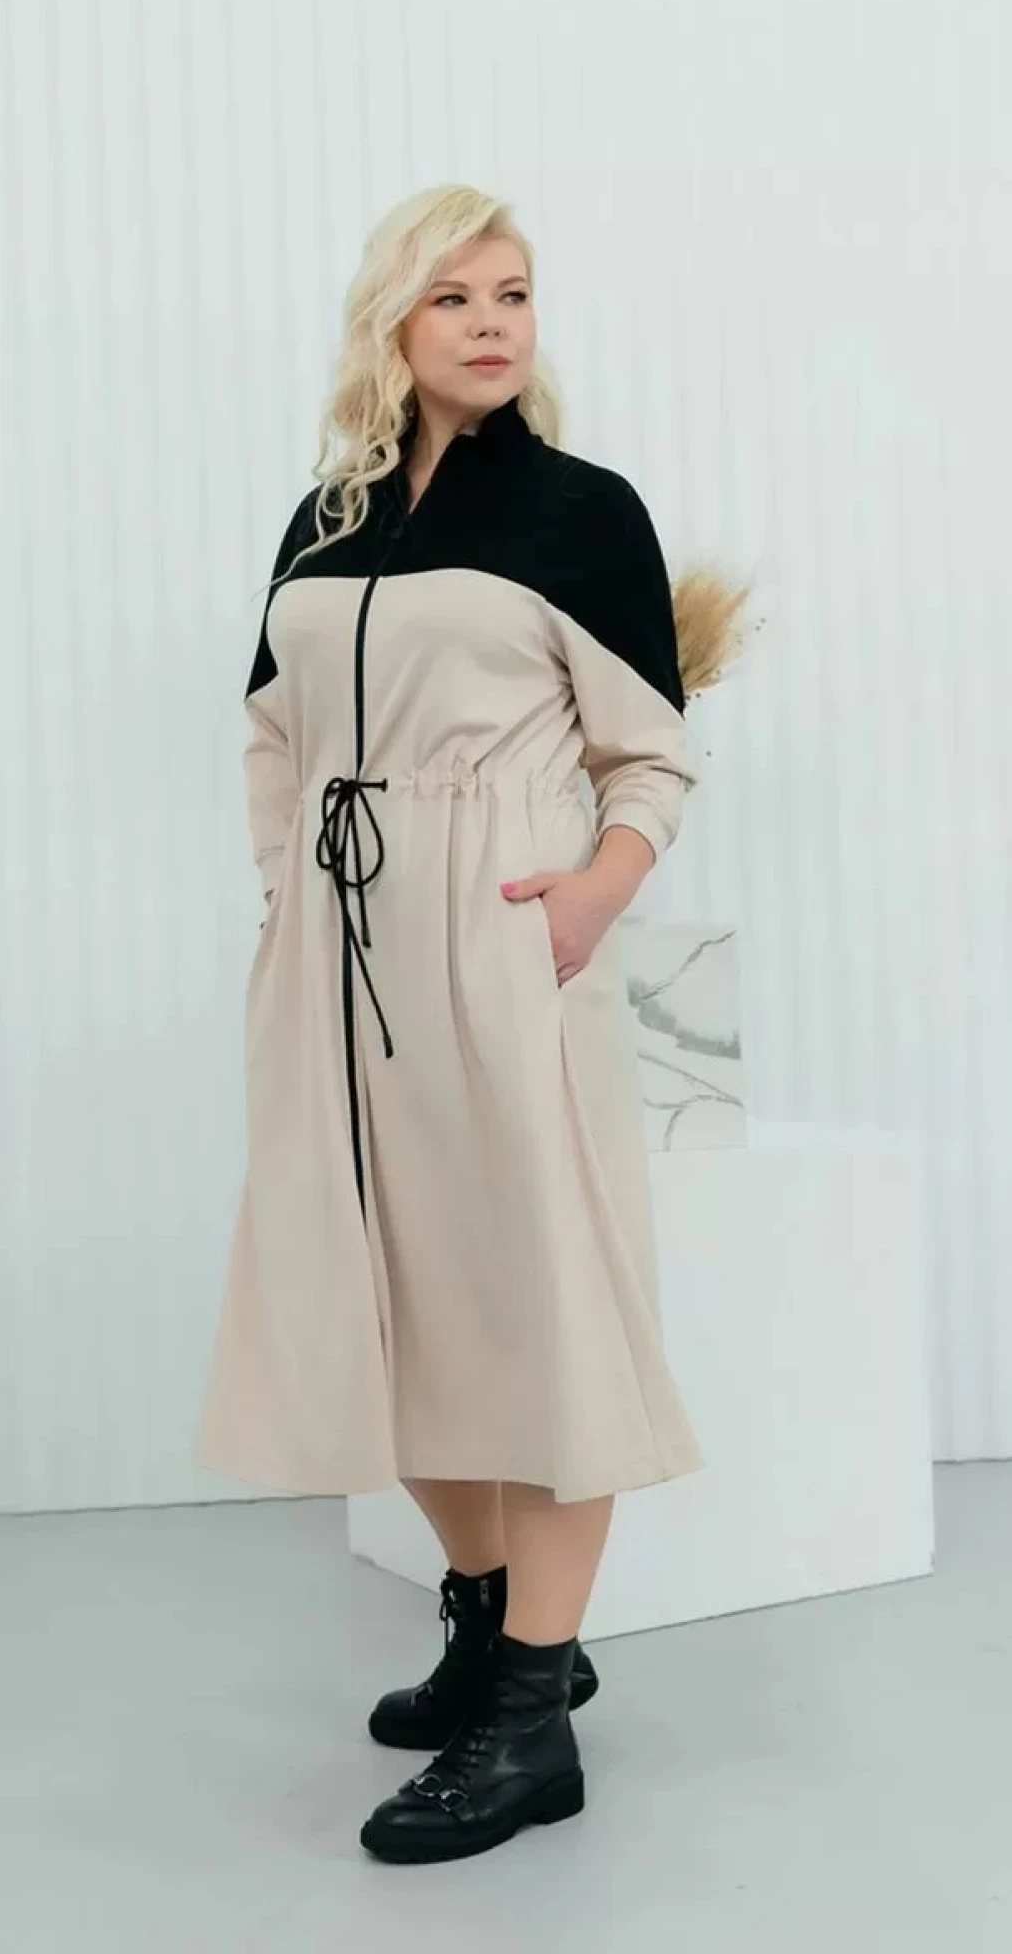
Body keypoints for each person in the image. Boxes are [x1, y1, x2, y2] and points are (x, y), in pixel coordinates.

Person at [197, 183, 706, 1867]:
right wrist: (288, 894)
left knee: (538, 1303)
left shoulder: (579, 510)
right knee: (385, 1297)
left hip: (501, 946)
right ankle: (491, 1618)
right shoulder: (329, 513)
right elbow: (273, 733)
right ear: (393, 322)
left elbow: (651, 755)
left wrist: (590, 899)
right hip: (340, 963)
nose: (492, 324)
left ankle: (532, 1717)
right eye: (455, 297)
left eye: (515, 294)